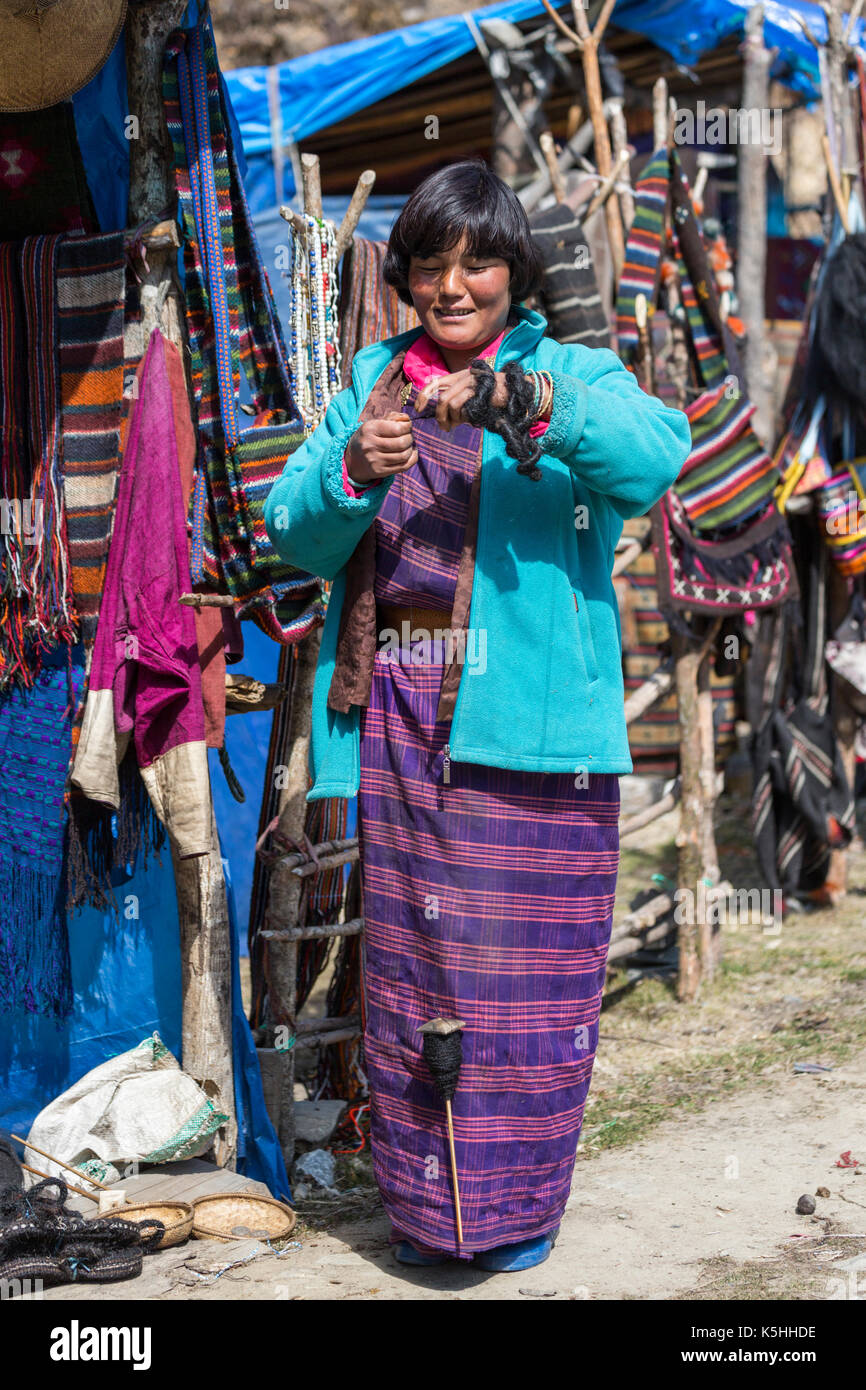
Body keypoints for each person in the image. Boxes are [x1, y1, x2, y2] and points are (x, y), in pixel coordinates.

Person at [265, 160, 690, 1272]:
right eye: (432, 264)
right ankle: (427, 1215)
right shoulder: (370, 381)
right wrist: (352, 468)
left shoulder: (566, 371)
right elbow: (289, 529)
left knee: (530, 987)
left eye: (478, 261)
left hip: (535, 732)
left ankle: (513, 1216)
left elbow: (652, 456)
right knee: (420, 975)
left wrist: (513, 402)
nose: (452, 286)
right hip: (405, 720)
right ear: (402, 274)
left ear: (514, 273)